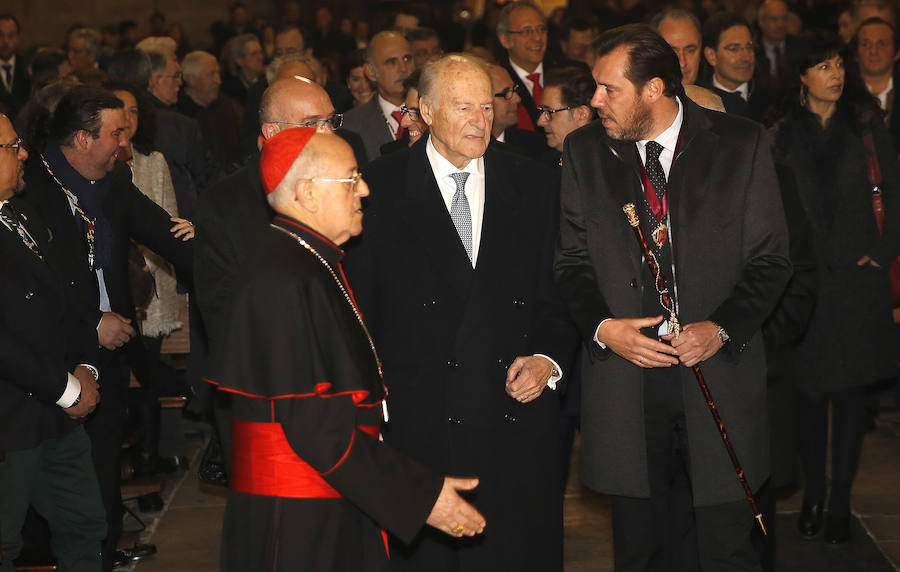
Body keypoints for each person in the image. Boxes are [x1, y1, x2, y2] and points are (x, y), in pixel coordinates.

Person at [554, 25, 791, 571]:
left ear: (654, 89)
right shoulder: (584, 151)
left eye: (609, 89)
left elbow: (772, 260)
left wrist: (721, 327)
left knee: (727, 548)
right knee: (642, 550)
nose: (594, 102)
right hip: (627, 382)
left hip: (718, 375)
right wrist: (602, 328)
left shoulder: (740, 143)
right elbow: (570, 261)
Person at [213, 126, 485, 571]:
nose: (364, 188)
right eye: (350, 177)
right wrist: (420, 497)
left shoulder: (307, 260)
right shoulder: (285, 278)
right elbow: (318, 429)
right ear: (308, 193)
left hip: (328, 498)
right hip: (300, 514)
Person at [343, 53, 575, 572]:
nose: (480, 119)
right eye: (462, 106)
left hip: (515, 431)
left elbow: (562, 296)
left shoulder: (536, 183)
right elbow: (358, 316)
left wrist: (547, 359)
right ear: (424, 109)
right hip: (421, 436)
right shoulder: (376, 188)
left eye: (487, 105)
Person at [21, 85, 193, 571]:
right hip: (51, 352)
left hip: (111, 346)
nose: (125, 142)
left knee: (103, 456)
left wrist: (223, 257)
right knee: (51, 466)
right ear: (82, 138)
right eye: (116, 133)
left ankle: (102, 551)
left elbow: (164, 233)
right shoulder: (32, 185)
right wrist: (90, 322)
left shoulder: (113, 181)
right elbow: (32, 282)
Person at [770, 33, 900, 545]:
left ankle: (841, 500)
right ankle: (815, 495)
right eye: (823, 66)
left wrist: (883, 251)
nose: (836, 74)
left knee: (848, 398)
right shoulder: (778, 134)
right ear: (801, 75)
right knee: (805, 396)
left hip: (856, 283)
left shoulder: (867, 127)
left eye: (838, 65)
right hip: (802, 287)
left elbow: (893, 191)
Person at [0, 112, 107, 572]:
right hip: (10, 421)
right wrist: (66, 388)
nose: (23, 153)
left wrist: (86, 368)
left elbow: (66, 297)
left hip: (58, 414)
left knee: (84, 527)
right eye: (10, 146)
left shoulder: (20, 213)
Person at [342, 31, 413, 163]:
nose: (403, 68)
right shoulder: (350, 125)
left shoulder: (432, 113)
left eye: (407, 59)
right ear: (371, 71)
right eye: (391, 62)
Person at [700, 13, 767, 120]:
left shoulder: (771, 99)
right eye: (734, 49)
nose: (746, 58)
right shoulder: (698, 100)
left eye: (749, 47)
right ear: (711, 55)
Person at [497, 2, 550, 134]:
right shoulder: (498, 82)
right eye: (527, 31)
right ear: (505, 39)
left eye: (541, 29)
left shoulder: (567, 72)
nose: (537, 37)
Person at [854, 18, 900, 151]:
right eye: (866, 44)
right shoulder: (842, 97)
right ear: (856, 53)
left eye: (882, 44)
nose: (873, 51)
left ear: (897, 53)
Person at [536, 66, 595, 166]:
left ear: (581, 115)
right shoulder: (545, 162)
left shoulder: (604, 168)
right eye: (542, 111)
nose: (540, 122)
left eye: (549, 112)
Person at [488, 64, 547, 160]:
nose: (518, 99)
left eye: (515, 89)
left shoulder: (535, 147)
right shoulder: (464, 150)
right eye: (506, 93)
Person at [0, 15, 29, 121]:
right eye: (1, 35)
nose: (5, 41)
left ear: (18, 38)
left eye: (11, 35)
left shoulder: (27, 66)